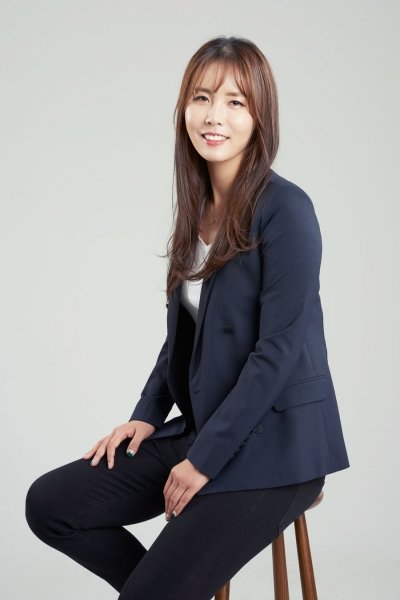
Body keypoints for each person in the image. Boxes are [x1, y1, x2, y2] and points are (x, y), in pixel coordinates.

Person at [25, 35, 350, 599]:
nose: (213, 116)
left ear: (260, 117)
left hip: (277, 448)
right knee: (51, 505)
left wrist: (203, 460)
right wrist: (146, 416)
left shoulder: (287, 210)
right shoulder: (197, 210)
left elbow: (276, 352)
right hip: (209, 428)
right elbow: (182, 337)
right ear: (184, 109)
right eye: (202, 98)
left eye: (235, 102)